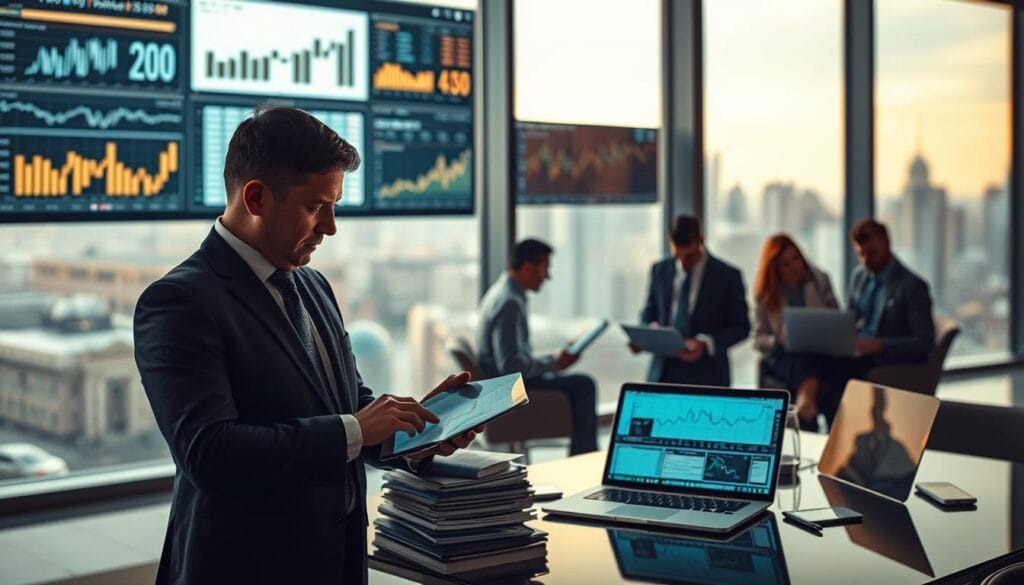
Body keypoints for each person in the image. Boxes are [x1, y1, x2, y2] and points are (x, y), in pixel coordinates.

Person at [134, 106, 479, 585]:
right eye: (317, 206)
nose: (331, 227)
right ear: (255, 198)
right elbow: (209, 454)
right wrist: (355, 428)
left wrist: (421, 428)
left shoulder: (313, 285)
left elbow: (347, 408)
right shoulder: (178, 301)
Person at [476, 238, 598, 455]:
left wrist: (553, 361)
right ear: (527, 268)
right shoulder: (510, 303)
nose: (548, 276)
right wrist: (555, 363)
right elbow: (511, 366)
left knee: (577, 382)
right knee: (584, 385)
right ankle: (583, 456)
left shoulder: (501, 293)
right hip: (509, 388)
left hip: (502, 382)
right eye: (545, 268)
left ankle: (582, 453)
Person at [820, 218, 935, 422]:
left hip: (885, 357)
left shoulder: (912, 286)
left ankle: (837, 432)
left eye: (872, 252)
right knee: (815, 361)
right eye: (860, 254)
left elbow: (924, 342)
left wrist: (880, 345)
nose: (866, 260)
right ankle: (817, 426)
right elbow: (852, 317)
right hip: (858, 351)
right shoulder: (859, 277)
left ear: (887, 244)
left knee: (832, 375)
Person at [635, 215, 750, 386]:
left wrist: (705, 343)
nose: (682, 262)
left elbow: (742, 327)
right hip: (663, 372)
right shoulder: (660, 270)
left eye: (688, 256)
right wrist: (647, 333)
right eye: (677, 255)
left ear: (701, 241)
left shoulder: (727, 276)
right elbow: (649, 312)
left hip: (708, 376)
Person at [752, 233, 839, 430]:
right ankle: (807, 394)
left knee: (815, 357)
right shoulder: (766, 294)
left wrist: (822, 324)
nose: (794, 267)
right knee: (798, 358)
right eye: (786, 264)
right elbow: (757, 340)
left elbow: (836, 316)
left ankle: (806, 397)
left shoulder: (820, 280)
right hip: (784, 355)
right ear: (775, 269)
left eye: (796, 259)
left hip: (819, 350)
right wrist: (779, 340)